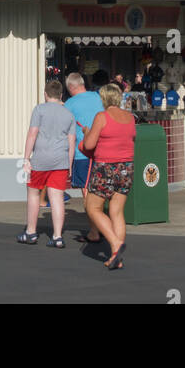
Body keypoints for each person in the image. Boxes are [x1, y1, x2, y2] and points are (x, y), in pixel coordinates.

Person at [80, 82, 137, 270]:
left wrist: (87, 133)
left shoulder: (102, 117)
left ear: (103, 98)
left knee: (93, 207)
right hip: (126, 168)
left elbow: (89, 145)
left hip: (106, 168)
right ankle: (116, 257)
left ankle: (115, 243)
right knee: (117, 211)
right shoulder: (130, 118)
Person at [18, 79, 76, 248]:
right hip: (61, 160)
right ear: (60, 95)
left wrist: (26, 158)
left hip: (40, 159)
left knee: (34, 193)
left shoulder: (39, 110)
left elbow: (32, 134)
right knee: (56, 197)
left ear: (45, 94)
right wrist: (69, 164)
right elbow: (71, 141)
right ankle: (57, 236)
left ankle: (31, 232)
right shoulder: (69, 114)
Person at [63, 72, 105, 242]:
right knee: (100, 191)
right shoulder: (98, 97)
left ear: (71, 87)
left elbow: (63, 129)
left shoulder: (69, 103)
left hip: (83, 153)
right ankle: (103, 225)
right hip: (102, 151)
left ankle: (94, 232)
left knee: (87, 192)